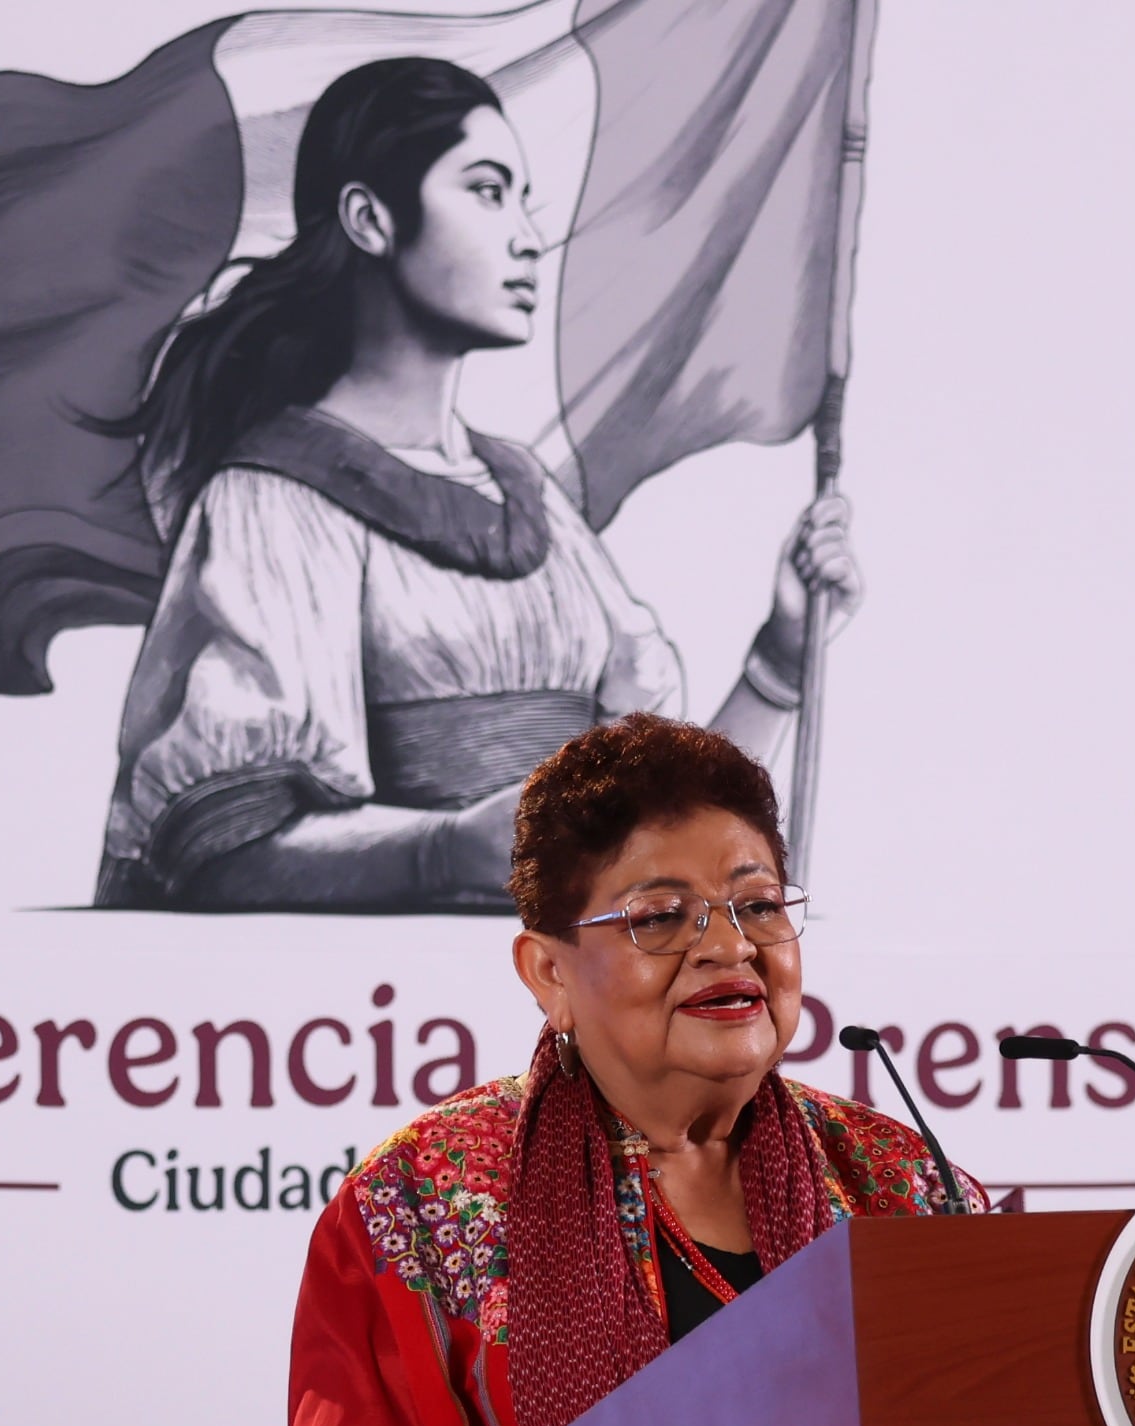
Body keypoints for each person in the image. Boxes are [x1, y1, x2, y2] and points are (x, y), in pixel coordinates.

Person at [263, 714, 984, 1426]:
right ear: (548, 971)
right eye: (659, 917)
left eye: (758, 904)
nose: (727, 945)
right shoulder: (422, 1195)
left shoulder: (904, 1181)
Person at [97, 58, 860, 910]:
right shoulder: (273, 501)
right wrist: (446, 849)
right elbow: (223, 853)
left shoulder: (527, 495)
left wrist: (779, 662)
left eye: (522, 197)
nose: (529, 236)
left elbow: (663, 836)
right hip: (384, 1020)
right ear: (368, 219)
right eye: (488, 191)